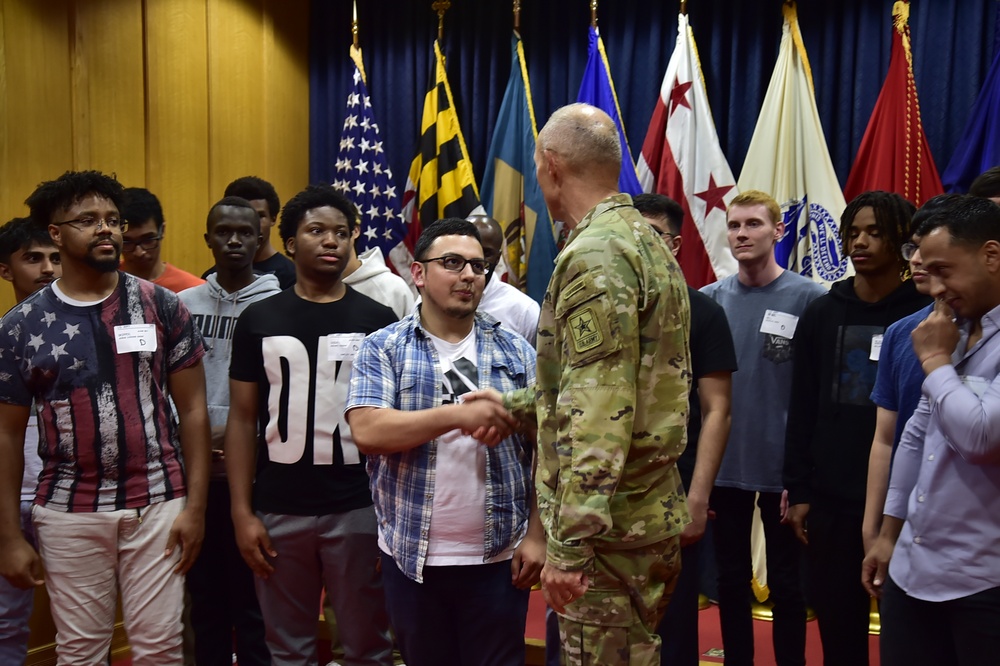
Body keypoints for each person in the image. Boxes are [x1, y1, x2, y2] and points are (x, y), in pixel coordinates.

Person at [494, 103, 691, 665]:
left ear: (551, 166)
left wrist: (570, 544)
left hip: (607, 534)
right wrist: (512, 405)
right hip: (642, 514)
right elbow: (626, 380)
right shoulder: (644, 240)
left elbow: (600, 411)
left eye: (537, 166)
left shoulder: (596, 253)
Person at [0, 170, 210, 664]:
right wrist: (9, 534)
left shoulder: (161, 305)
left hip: (159, 502)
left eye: (113, 220)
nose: (106, 230)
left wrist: (195, 508)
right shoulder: (19, 326)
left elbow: (195, 410)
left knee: (161, 649)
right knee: (81, 653)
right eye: (88, 220)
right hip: (68, 510)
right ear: (56, 233)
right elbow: (7, 438)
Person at [345, 218, 543, 666]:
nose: (468, 275)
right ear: (418, 273)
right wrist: (458, 414)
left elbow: (549, 450)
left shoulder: (516, 350)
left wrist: (537, 534)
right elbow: (369, 431)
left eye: (478, 265)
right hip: (411, 556)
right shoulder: (384, 347)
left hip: (500, 557)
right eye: (452, 263)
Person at [225, 183, 394, 666]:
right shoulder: (260, 318)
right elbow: (241, 420)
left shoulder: (378, 320)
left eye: (341, 233)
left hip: (358, 508)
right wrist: (242, 511)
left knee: (368, 647)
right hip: (279, 510)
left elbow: (390, 423)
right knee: (288, 649)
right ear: (290, 243)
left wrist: (389, 514)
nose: (331, 242)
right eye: (316, 231)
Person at [784, 191, 930, 666]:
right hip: (830, 498)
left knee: (910, 635)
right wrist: (799, 488)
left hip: (906, 501)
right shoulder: (823, 312)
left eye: (874, 232)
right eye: (853, 233)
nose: (859, 242)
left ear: (903, 240)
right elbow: (801, 404)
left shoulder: (925, 316)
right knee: (838, 626)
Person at [862, 195, 1000, 665]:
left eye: (945, 270)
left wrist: (936, 361)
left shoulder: (939, 341)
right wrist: (887, 532)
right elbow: (914, 437)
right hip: (912, 566)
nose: (934, 287)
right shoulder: (954, 326)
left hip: (985, 578)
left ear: (992, 255)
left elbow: (982, 439)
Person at [701, 189, 824, 666]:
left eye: (753, 224)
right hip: (725, 465)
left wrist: (804, 473)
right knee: (729, 581)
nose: (741, 234)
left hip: (784, 469)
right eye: (734, 225)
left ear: (777, 231)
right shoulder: (710, 301)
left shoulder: (810, 299)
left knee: (789, 586)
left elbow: (814, 394)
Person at [633, 194, 736, 666]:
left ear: (674, 245)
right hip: (603, 496)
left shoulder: (705, 312)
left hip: (671, 496)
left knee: (671, 632)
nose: (640, 247)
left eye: (653, 236)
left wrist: (697, 501)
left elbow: (718, 410)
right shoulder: (604, 304)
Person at [179, 196, 279, 666]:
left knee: (255, 600)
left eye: (244, 232)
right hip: (193, 476)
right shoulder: (180, 305)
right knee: (206, 601)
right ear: (208, 239)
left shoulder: (280, 301)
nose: (234, 240)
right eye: (223, 232)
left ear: (261, 239)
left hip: (257, 474)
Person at [861, 195, 962, 554]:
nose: (918, 259)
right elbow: (887, 440)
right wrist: (874, 529)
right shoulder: (900, 333)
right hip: (905, 521)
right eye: (913, 247)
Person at [0, 217, 60, 665]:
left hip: (69, 498)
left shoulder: (89, 334)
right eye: (33, 258)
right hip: (10, 500)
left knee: (85, 621)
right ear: (6, 270)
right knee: (6, 620)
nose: (47, 269)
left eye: (56, 258)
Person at [204, 176, 296, 290]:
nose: (251, 223)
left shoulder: (291, 275)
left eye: (259, 216)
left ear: (273, 219)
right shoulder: (210, 278)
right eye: (240, 217)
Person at [468, 215, 540, 345]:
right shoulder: (435, 298)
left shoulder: (524, 311)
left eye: (486, 253)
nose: (477, 259)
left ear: (497, 258)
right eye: (470, 249)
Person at [120, 186, 206, 292]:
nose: (139, 252)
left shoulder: (193, 290)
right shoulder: (100, 282)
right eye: (127, 242)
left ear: (162, 230)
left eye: (147, 240)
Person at [342, 224, 414, 320]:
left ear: (355, 231)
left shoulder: (393, 288)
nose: (329, 240)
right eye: (317, 231)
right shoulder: (315, 288)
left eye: (339, 232)